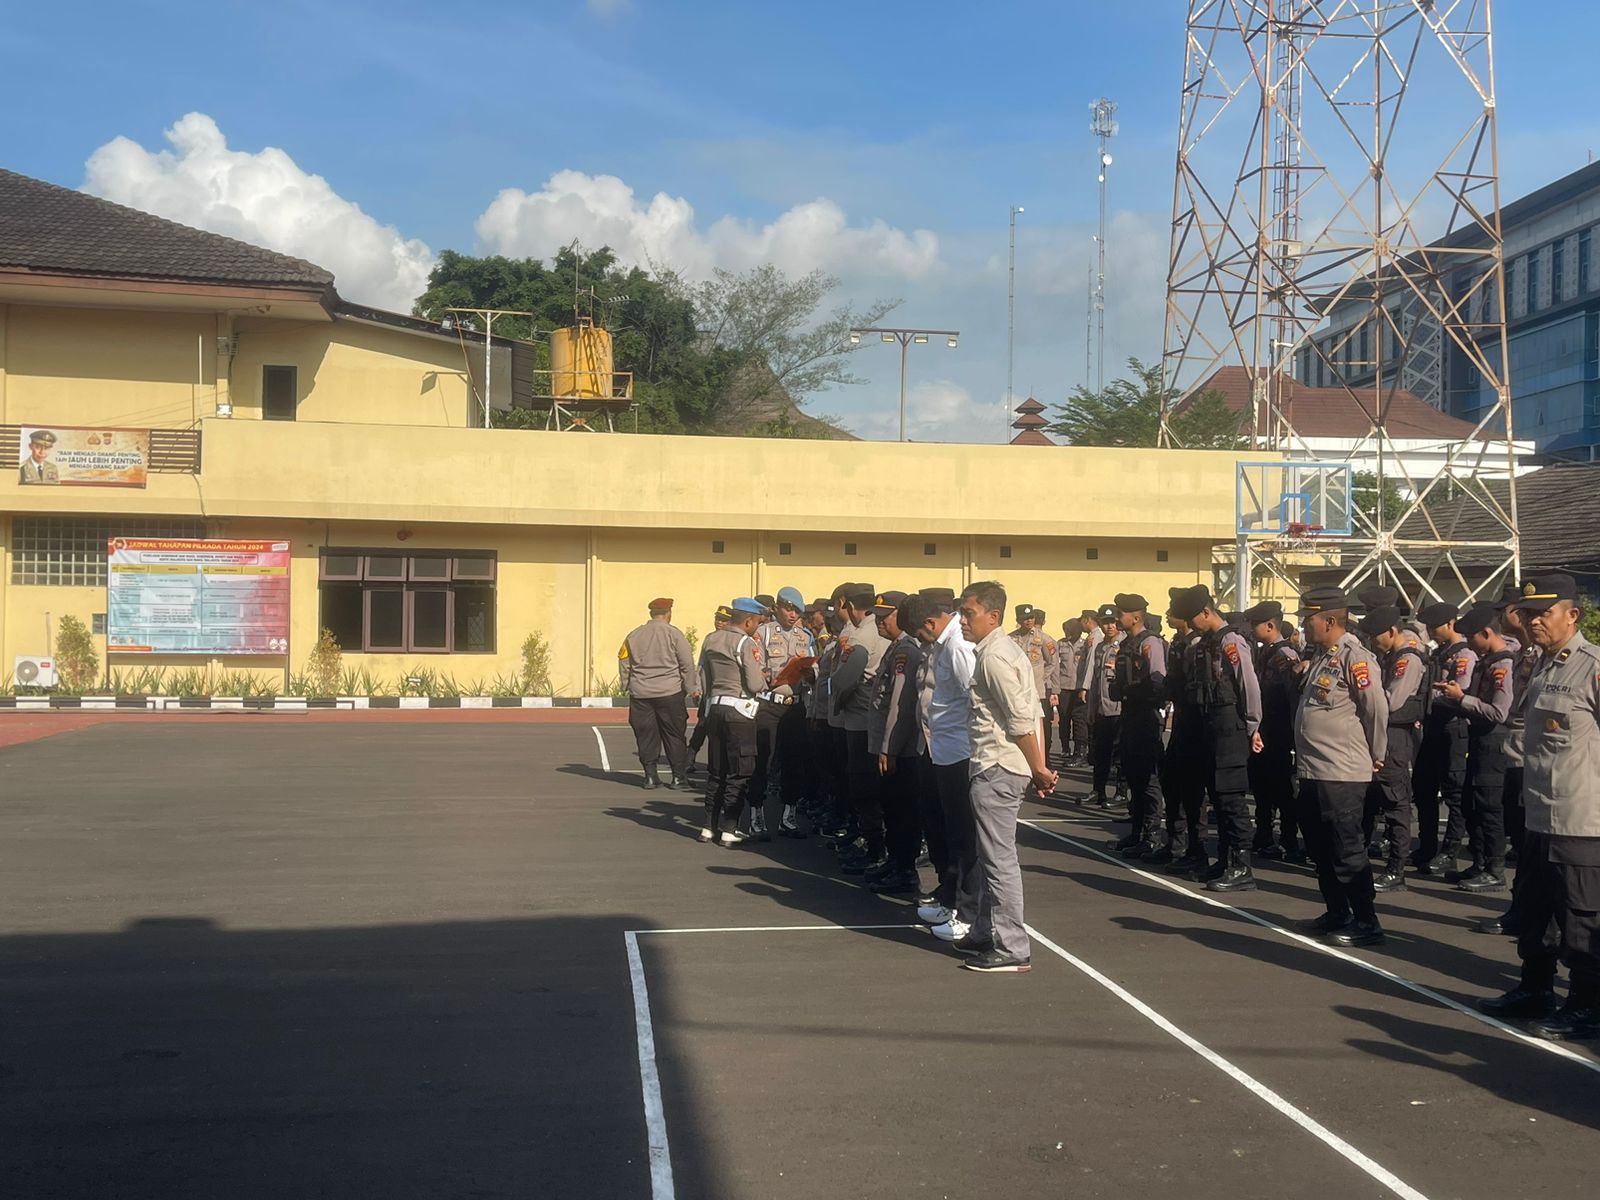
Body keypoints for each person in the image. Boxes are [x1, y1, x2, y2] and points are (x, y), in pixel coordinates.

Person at [1478, 574, 1600, 1041]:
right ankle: (1535, 989)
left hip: (1580, 819)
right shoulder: (1541, 664)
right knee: (1534, 911)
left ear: (1572, 615)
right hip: (1538, 813)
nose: (1532, 622)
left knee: (1580, 918)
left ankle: (1587, 1005)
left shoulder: (1590, 667)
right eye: (1527, 614)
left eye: (1543, 614)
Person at [957, 580, 1058, 973]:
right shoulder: (1007, 650)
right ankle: (986, 930)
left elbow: (1019, 719)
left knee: (999, 860)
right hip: (1004, 765)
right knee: (990, 856)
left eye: (969, 613)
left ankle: (1012, 947)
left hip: (997, 766)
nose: (962, 621)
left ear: (992, 615)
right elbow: (1035, 712)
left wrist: (1039, 769)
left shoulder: (994, 657)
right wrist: (1038, 765)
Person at [1293, 587, 1389, 946]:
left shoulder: (1355, 657)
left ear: (1330, 621)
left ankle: (1366, 920)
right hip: (1313, 770)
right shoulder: (1323, 656)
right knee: (1320, 848)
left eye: (1309, 620)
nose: (1304, 626)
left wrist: (1377, 753)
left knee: (1347, 849)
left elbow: (1375, 708)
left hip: (1341, 772)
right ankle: (1337, 911)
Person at [1174, 586, 1263, 890]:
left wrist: (1253, 725)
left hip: (1230, 729)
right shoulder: (1207, 642)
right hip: (1211, 728)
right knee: (1219, 799)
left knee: (1231, 799)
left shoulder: (1231, 641)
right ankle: (1225, 861)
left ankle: (1241, 866)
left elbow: (1248, 685)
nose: (1190, 623)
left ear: (1206, 612)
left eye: (1192, 618)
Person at [913, 586, 979, 943]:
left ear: (929, 622)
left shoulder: (957, 646)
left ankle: (968, 913)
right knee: (951, 834)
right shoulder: (944, 643)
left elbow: (976, 698)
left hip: (961, 752)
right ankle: (951, 899)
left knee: (966, 839)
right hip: (945, 750)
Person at [1438, 602, 1519, 893]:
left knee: (1490, 807)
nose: (1469, 643)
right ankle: (1480, 862)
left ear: (1486, 633)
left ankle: (1495, 870)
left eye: (1472, 636)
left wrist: (1462, 699)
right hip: (1478, 739)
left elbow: (1499, 712)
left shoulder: (1503, 665)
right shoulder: (1487, 661)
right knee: (1473, 804)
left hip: (1493, 743)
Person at [1360, 605, 1427, 893]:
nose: (1373, 641)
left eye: (1376, 635)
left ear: (1391, 631)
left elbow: (1391, 700)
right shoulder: (1389, 657)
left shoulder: (1407, 660)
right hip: (1381, 734)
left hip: (1395, 737)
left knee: (1395, 804)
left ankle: (1396, 869)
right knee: (1369, 800)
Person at [830, 583, 891, 874]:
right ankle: (874, 844)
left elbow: (846, 678)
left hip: (860, 718)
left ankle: (874, 848)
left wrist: (837, 699)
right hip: (873, 718)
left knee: (864, 788)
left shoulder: (861, 635)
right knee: (872, 789)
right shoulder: (878, 631)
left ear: (852, 606)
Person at [1413, 601, 1477, 876]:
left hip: (1453, 725)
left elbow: (1459, 689)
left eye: (1434, 627)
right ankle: (1427, 845)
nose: (1430, 631)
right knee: (1423, 787)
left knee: (1453, 792)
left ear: (1450, 624)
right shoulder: (1438, 653)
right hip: (1433, 725)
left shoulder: (1464, 654)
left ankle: (1450, 850)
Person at [697, 598, 768, 846]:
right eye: (756, 622)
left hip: (715, 707)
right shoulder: (745, 643)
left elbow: (703, 676)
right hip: (739, 711)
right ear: (748, 621)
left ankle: (708, 827)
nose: (756, 627)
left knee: (716, 771)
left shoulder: (711, 639)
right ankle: (729, 828)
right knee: (739, 771)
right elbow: (755, 684)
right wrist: (764, 678)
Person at [748, 587, 815, 841]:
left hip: (795, 705)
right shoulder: (763, 633)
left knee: (793, 763)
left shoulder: (804, 636)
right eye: (788, 609)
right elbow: (754, 668)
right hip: (769, 704)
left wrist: (810, 673)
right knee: (763, 761)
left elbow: (813, 667)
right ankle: (756, 815)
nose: (792, 615)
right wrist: (771, 675)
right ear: (777, 608)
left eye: (797, 611)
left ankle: (789, 817)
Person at [870, 591, 924, 895]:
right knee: (891, 809)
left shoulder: (906, 652)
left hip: (901, 750)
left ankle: (905, 870)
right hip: (891, 747)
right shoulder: (894, 649)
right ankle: (895, 862)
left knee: (903, 813)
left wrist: (888, 748)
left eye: (885, 616)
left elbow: (899, 706)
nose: (879, 622)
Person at [1109, 593, 1167, 858]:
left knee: (1148, 778)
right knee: (1133, 775)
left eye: (1121, 613)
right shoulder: (1127, 644)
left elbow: (1158, 680)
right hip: (1129, 715)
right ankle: (1136, 832)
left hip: (1146, 717)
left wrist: (1138, 692)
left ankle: (1151, 836)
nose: (1117, 617)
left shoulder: (1149, 643)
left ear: (1135, 617)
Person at [618, 598, 696, 789]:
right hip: (670, 692)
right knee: (674, 735)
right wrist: (691, 688)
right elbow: (687, 663)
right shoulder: (674, 634)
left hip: (641, 694)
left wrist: (626, 684)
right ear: (669, 613)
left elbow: (624, 661)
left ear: (650, 614)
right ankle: (678, 778)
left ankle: (650, 776)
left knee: (645, 735)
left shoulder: (634, 635)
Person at [1244, 600, 1301, 861]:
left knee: (1281, 787)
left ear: (1269, 626)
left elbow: (1291, 696)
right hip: (1264, 728)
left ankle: (1289, 839)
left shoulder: (1284, 655)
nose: (1252, 629)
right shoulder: (1265, 652)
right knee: (1261, 785)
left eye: (1255, 624)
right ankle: (1264, 834)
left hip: (1278, 730)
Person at [1156, 593, 1205, 871]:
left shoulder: (1197, 644)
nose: (1167, 615)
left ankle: (1195, 849)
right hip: (1182, 722)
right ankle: (1175, 843)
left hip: (1195, 724)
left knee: (1192, 790)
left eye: (1172, 611)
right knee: (1172, 783)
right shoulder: (1178, 643)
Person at [1081, 604, 1124, 807]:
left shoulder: (1125, 645)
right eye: (1106, 622)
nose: (1109, 626)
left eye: (1113, 622)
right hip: (1101, 708)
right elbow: (1095, 681)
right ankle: (1098, 791)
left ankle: (1121, 792)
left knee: (1120, 753)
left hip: (1119, 708)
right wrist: (1091, 709)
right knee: (1101, 753)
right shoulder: (1099, 647)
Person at [1010, 604, 1061, 762]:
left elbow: (1052, 662)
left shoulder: (1044, 639)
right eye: (1025, 618)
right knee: (1021, 725)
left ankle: (1044, 759)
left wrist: (1041, 677)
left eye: (1031, 617)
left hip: (1038, 691)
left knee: (1041, 727)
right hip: (1017, 690)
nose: (1029, 621)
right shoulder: (1010, 639)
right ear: (1018, 620)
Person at [687, 604, 736, 765]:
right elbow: (701, 665)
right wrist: (697, 687)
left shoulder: (735, 640)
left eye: (724, 620)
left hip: (728, 692)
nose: (719, 622)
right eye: (718, 619)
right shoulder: (710, 639)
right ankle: (690, 756)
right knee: (702, 725)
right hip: (710, 691)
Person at [1058, 618, 1088, 763]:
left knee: (1078, 721)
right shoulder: (1060, 644)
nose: (1067, 633)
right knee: (1064, 719)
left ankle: (1079, 749)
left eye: (1069, 630)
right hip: (1064, 687)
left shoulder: (1085, 645)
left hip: (1078, 688)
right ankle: (1065, 748)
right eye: (1065, 630)